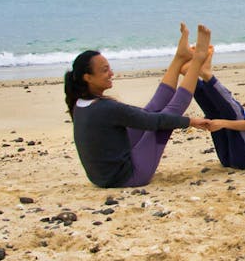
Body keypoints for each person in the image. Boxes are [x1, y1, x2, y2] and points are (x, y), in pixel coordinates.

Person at [65, 24, 213, 188]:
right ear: (88, 78)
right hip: (127, 177)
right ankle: (197, 60)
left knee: (152, 111)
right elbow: (155, 121)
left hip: (102, 176)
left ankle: (180, 58)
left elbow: (147, 116)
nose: (111, 74)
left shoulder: (80, 104)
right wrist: (190, 121)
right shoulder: (105, 108)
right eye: (105, 70)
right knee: (167, 117)